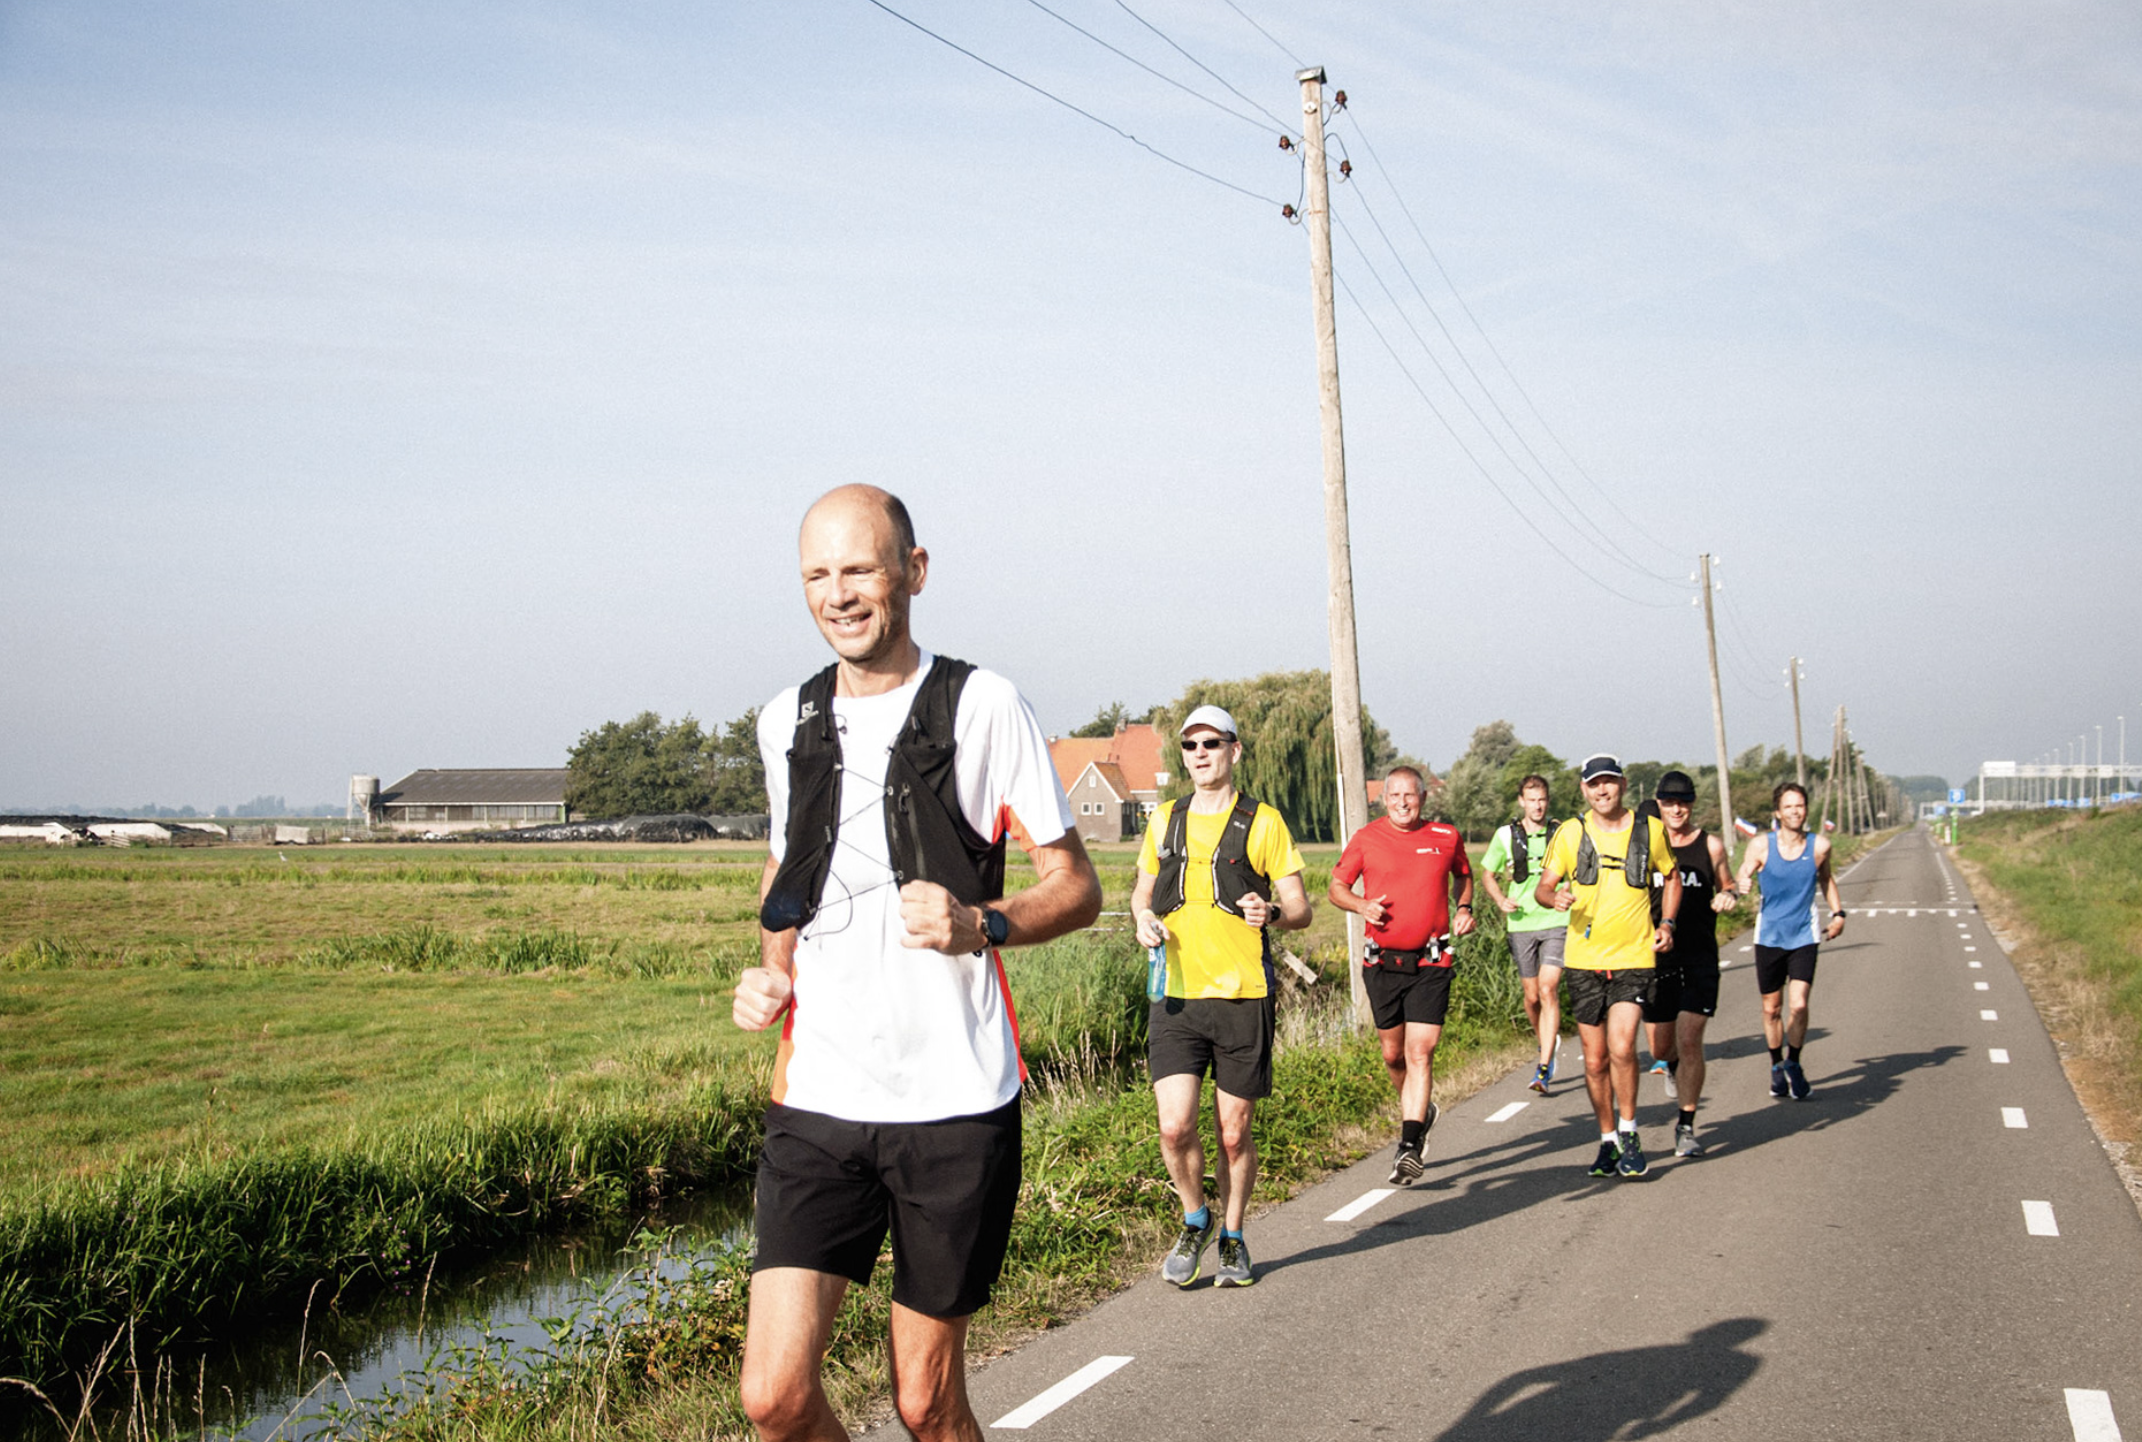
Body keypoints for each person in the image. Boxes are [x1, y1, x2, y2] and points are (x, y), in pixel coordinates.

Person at [733, 485, 1103, 1442]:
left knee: (926, 1403)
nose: (838, 594)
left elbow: (1075, 887)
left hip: (952, 1103)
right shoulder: (786, 720)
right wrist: (773, 967)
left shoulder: (983, 706)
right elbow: (785, 868)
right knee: (773, 1397)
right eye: (818, 574)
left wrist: (981, 923)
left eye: (860, 569)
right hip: (818, 1099)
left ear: (914, 572)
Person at [1132, 705, 1313, 1288]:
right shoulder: (1164, 820)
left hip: (1243, 995)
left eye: (1211, 743)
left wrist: (1273, 912)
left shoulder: (1263, 822)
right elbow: (1141, 895)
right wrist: (1142, 920)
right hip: (1176, 998)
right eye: (1190, 745)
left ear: (1234, 750)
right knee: (1173, 1127)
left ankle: (1233, 1234)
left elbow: (1301, 908)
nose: (1200, 754)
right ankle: (1196, 1219)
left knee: (1233, 1133)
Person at [1533, 754, 1681, 1179]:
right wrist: (1554, 897)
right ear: (1584, 789)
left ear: (1623, 785)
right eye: (1594, 783)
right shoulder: (1570, 833)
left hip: (1634, 958)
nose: (1602, 790)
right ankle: (1607, 1139)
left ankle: (1630, 1131)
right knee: (1595, 1060)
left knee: (1621, 1046)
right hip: (1584, 961)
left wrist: (1667, 923)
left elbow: (1671, 876)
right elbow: (1544, 887)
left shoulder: (1649, 829)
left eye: (1609, 782)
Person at [1328, 765, 1475, 1185]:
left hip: (1431, 961)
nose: (1402, 803)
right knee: (1393, 1056)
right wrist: (1361, 905)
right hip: (1382, 964)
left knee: (1420, 1053)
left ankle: (1409, 1145)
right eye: (1394, 796)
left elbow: (1464, 876)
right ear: (1384, 799)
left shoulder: (1446, 836)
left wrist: (1464, 908)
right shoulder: (1367, 838)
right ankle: (1420, 1111)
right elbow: (1336, 888)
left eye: (1410, 795)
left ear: (1423, 798)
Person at [1736, 781, 1845, 1101]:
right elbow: (1745, 870)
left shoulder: (1819, 846)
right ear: (1778, 812)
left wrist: (1838, 914)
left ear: (1806, 809)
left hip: (1803, 936)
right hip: (1769, 936)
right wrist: (1743, 880)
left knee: (1798, 1004)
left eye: (1800, 805)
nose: (1795, 811)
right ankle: (1776, 1066)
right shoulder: (1761, 845)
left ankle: (1794, 1062)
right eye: (1788, 806)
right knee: (1772, 1009)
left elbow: (1826, 879)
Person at [1648, 771, 1738, 1156]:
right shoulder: (1646, 844)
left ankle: (1685, 1126)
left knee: (1690, 1039)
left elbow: (1727, 883)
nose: (1676, 809)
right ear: (1659, 805)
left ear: (1692, 804)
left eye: (1683, 802)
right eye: (1669, 803)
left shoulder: (1709, 845)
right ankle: (1670, 1066)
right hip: (1656, 956)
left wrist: (1728, 896)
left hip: (1699, 953)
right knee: (1660, 1045)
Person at [1478, 774, 1566, 1094]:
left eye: (1542, 800)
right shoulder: (1506, 835)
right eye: (1531, 800)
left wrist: (1569, 890)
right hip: (1521, 922)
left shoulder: (1562, 832)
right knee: (1531, 997)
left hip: (1556, 918)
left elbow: (1579, 868)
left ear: (1548, 801)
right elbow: (1487, 874)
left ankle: (1543, 1068)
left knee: (1548, 988)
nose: (1537, 806)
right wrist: (1500, 899)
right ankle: (1546, 1041)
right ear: (1521, 802)